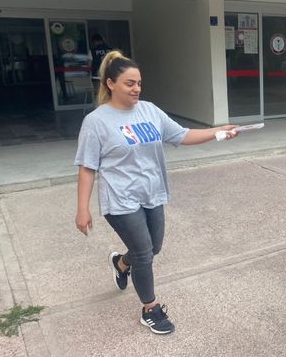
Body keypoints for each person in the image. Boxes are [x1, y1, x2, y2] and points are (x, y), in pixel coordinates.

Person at [74, 50, 238, 335]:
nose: (136, 88)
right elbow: (88, 167)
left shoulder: (150, 110)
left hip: (152, 192)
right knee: (144, 253)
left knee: (153, 248)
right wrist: (82, 208)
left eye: (139, 83)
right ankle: (150, 309)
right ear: (111, 84)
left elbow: (183, 135)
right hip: (121, 199)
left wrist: (218, 132)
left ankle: (121, 264)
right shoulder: (97, 121)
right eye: (129, 83)